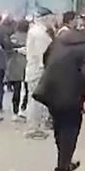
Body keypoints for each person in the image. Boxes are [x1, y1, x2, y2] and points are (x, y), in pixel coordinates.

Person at [32, 21, 85, 171]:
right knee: (70, 130)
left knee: (59, 126)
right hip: (70, 92)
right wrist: (81, 95)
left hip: (50, 88)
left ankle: (64, 162)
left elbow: (45, 57)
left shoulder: (60, 39)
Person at [25, 8, 55, 139]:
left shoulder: (36, 31)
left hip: (33, 68)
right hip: (38, 70)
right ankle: (34, 128)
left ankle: (34, 126)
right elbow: (44, 53)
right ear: (45, 18)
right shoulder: (40, 34)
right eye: (51, 18)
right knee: (37, 100)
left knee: (35, 99)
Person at [6, 20, 29, 121]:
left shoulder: (14, 37)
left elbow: (8, 50)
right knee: (27, 89)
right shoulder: (30, 36)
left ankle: (16, 111)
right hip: (27, 66)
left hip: (15, 66)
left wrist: (16, 50)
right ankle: (23, 108)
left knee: (17, 89)